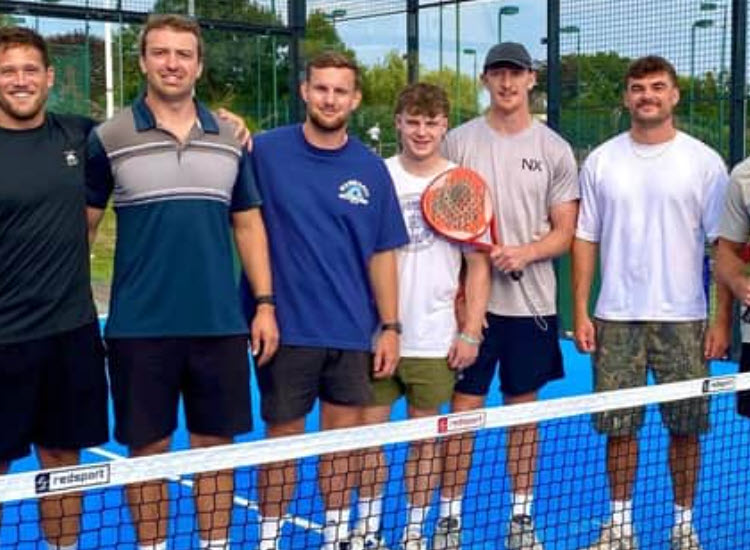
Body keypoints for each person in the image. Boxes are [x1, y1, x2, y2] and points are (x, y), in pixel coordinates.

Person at [86, 14, 278, 550]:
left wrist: (264, 303)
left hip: (218, 324)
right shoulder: (109, 137)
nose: (172, 63)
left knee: (214, 447)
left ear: (199, 64)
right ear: (143, 60)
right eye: (161, 53)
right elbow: (84, 228)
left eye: (184, 54)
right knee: (147, 451)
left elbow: (248, 225)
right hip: (139, 328)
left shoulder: (230, 139)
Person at [239, 51, 409, 550]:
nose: (329, 98)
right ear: (304, 91)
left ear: (354, 99)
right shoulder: (264, 152)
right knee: (281, 446)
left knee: (340, 448)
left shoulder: (371, 169)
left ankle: (337, 538)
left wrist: (391, 327)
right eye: (321, 88)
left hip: (352, 334)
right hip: (286, 331)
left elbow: (382, 254)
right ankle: (269, 538)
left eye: (340, 91)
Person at [572, 55, 731, 550]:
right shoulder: (601, 160)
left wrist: (719, 319)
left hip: (684, 321)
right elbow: (585, 238)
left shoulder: (705, 162)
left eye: (657, 87)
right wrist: (580, 309)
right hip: (615, 318)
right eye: (638, 88)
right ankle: (620, 526)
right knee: (620, 430)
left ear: (674, 95)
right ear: (626, 97)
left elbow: (722, 245)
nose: (647, 95)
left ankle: (683, 526)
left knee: (686, 430)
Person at [437, 42, 579, 550]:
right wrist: (458, 290)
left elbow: (565, 232)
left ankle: (521, 519)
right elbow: (444, 218)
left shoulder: (554, 150)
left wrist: (525, 252)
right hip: (471, 308)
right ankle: (448, 518)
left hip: (532, 306)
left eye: (516, 74)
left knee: (522, 411)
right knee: (463, 410)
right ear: (485, 79)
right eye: (498, 74)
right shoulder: (456, 142)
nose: (507, 83)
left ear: (531, 79)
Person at [353, 83, 491, 550]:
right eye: (413, 121)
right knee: (366, 438)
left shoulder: (461, 183)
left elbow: (478, 264)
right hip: (376, 336)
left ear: (444, 126)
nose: (421, 131)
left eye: (431, 123)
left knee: (425, 440)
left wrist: (470, 331)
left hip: (435, 337)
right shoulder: (376, 176)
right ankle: (366, 528)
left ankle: (415, 530)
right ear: (397, 122)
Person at [0, 26, 109, 550]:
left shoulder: (81, 136)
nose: (19, 81)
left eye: (29, 70)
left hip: (71, 334)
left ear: (48, 78)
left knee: (63, 464)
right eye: (7, 71)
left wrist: (227, 122)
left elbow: (152, 129)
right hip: (3, 341)